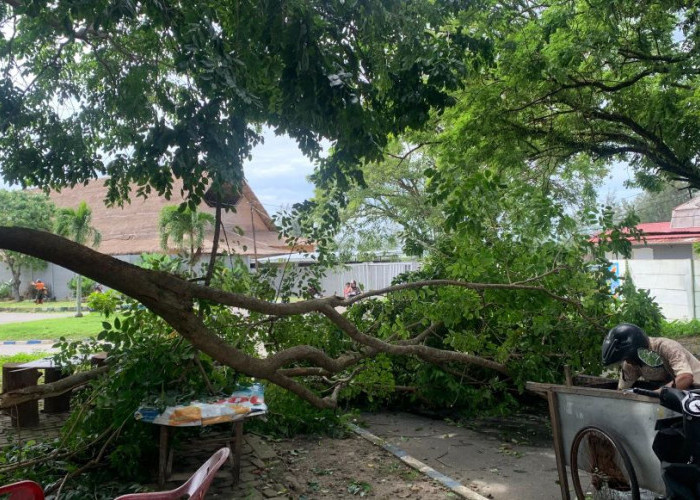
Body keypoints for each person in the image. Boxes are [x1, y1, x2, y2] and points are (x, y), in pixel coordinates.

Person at [602, 323, 700, 390]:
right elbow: (622, 390)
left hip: (695, 390)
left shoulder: (666, 347)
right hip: (671, 393)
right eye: (625, 359)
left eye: (629, 358)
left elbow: (686, 378)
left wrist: (658, 393)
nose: (628, 362)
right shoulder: (630, 364)